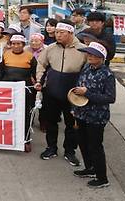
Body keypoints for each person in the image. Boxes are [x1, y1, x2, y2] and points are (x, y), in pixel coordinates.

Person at [34, 20, 86, 166]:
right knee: (51, 122)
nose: (58, 35)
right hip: (52, 91)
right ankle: (51, 147)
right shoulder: (50, 48)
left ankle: (70, 151)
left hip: (73, 94)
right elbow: (41, 64)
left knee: (72, 124)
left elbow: (87, 70)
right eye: (56, 32)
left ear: (71, 33)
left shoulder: (82, 50)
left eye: (62, 32)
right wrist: (39, 80)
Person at [72, 42, 116, 188]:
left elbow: (110, 98)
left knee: (95, 146)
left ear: (101, 57)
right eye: (88, 53)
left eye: (93, 54)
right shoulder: (86, 68)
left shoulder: (107, 74)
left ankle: (102, 178)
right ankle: (89, 168)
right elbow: (79, 87)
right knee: (83, 143)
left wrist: (88, 94)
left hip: (97, 117)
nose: (89, 56)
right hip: (81, 113)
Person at [0, 34, 37, 143]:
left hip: (24, 90)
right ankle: (6, 136)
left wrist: (37, 85)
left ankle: (26, 139)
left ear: (23, 45)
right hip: (8, 90)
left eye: (18, 44)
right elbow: (1, 72)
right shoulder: (6, 55)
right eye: (13, 44)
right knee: (7, 113)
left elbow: (35, 74)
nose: (16, 46)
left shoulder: (30, 56)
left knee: (25, 115)